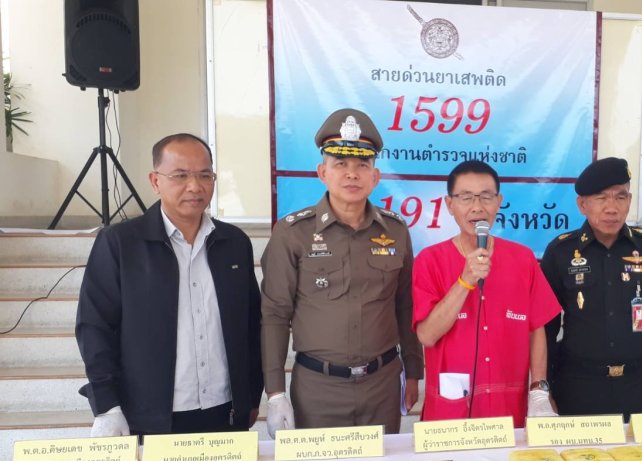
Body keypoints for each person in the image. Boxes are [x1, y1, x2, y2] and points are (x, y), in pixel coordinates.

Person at [77, 133, 263, 436]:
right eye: (180, 175)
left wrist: (252, 395)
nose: (195, 186)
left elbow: (251, 324)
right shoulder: (121, 244)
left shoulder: (234, 243)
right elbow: (94, 327)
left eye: (205, 175)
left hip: (225, 412)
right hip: (151, 416)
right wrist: (107, 405)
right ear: (155, 181)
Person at [260, 108, 423, 437]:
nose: (352, 174)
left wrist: (413, 372)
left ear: (375, 176)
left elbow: (405, 305)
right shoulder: (293, 233)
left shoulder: (395, 231)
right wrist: (275, 393)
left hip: (382, 385)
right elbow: (275, 314)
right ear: (322, 172)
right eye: (340, 164)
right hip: (318, 389)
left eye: (362, 165)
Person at [412, 160, 561, 427]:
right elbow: (427, 335)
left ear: (499, 202)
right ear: (449, 204)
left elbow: (535, 328)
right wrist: (465, 281)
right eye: (466, 197)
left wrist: (538, 388)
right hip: (450, 413)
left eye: (486, 197)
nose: (477, 207)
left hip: (508, 409)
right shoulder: (429, 260)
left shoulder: (523, 259)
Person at [541, 157, 642, 420]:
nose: (611, 208)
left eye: (620, 197)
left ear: (629, 200)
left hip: (637, 385)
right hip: (577, 386)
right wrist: (544, 390)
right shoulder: (561, 252)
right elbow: (546, 329)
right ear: (582, 205)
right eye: (601, 198)